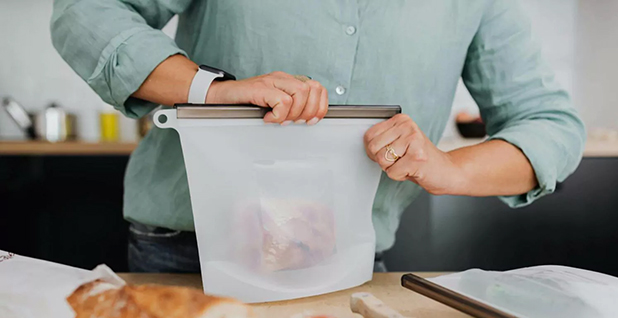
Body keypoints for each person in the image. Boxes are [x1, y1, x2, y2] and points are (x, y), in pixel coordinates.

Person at [51, 0, 585, 273]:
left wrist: (452, 168)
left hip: (349, 257)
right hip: (186, 253)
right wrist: (209, 90)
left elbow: (550, 124)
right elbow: (87, 9)